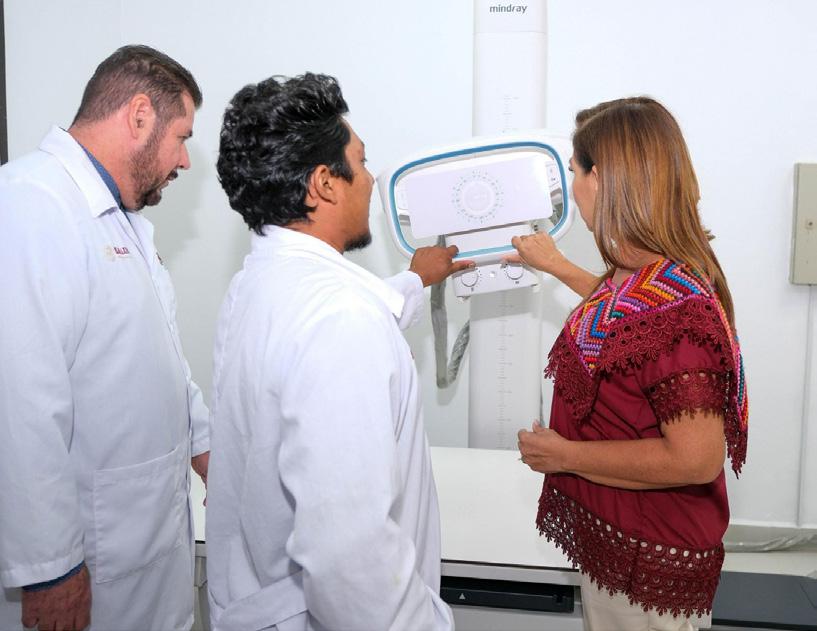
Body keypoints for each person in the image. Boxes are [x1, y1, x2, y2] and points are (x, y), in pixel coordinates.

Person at [206, 73, 465, 631]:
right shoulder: (341, 318)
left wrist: (416, 279)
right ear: (324, 183)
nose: (370, 179)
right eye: (361, 161)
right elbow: (350, 556)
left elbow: (340, 322)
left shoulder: (257, 285)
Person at [513, 97, 748, 631]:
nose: (572, 187)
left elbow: (695, 460)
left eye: (574, 172)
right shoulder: (648, 277)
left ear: (600, 180)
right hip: (628, 541)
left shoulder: (678, 313)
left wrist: (565, 455)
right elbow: (624, 319)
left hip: (647, 559)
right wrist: (555, 265)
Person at [0, 45, 211, 631]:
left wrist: (205, 445)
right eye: (182, 137)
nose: (184, 160)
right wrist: (50, 571)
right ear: (139, 115)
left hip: (141, 543)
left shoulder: (120, 220)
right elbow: (19, 405)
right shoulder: (28, 206)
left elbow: (160, 358)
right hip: (86, 562)